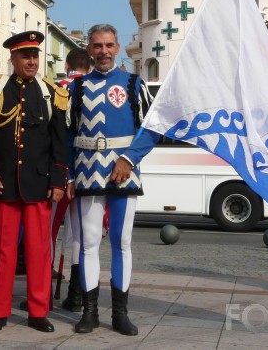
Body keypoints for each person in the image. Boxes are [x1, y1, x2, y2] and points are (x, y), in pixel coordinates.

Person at [67, 24, 158, 336]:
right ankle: (89, 312)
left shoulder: (134, 83)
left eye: (108, 45)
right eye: (97, 46)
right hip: (87, 171)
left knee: (121, 243)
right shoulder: (76, 88)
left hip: (124, 173)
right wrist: (68, 173)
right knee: (89, 243)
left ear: (117, 48)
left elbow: (151, 129)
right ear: (89, 50)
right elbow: (67, 134)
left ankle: (120, 313)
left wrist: (129, 158)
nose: (103, 51)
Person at [0, 31, 68, 333]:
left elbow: (59, 142)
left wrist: (58, 181)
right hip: (3, 182)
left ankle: (38, 311)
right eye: (25, 56)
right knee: (2, 251)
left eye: (35, 56)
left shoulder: (51, 93)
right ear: (12, 58)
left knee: (39, 252)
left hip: (40, 184)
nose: (31, 61)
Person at [51, 47, 91, 312]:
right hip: (85, 174)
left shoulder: (55, 89)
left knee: (48, 233)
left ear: (67, 65)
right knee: (80, 236)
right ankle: (75, 295)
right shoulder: (92, 89)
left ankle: (42, 292)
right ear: (88, 67)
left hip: (56, 172)